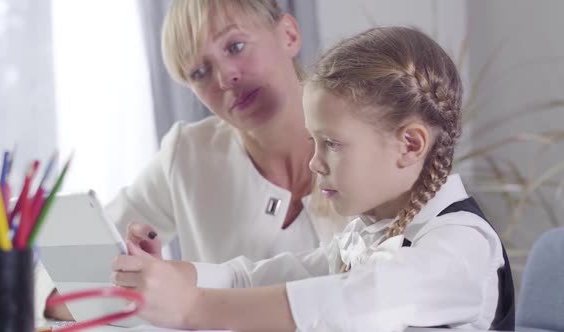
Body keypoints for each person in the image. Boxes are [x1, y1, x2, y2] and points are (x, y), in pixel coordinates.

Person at [111, 27, 515, 331]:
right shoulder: (368, 233)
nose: (314, 164)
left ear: (409, 144)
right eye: (314, 142)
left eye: (333, 144)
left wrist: (193, 307)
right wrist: (177, 277)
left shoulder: (460, 246)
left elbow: (359, 301)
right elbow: (251, 277)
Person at [40, 0, 346, 320]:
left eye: (236, 46)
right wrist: (143, 282)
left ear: (289, 34)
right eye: (200, 72)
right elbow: (63, 282)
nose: (226, 77)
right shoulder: (189, 154)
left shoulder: (373, 135)